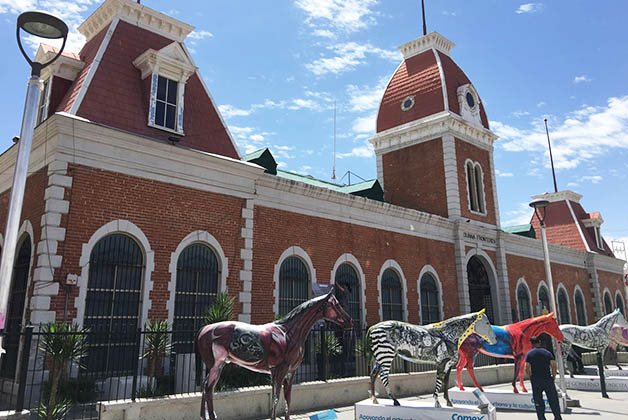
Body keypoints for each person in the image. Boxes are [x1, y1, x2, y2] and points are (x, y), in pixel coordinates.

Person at [525, 335, 563, 420]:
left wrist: (530, 378)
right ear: (539, 342)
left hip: (536, 379)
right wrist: (553, 377)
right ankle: (557, 417)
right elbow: (553, 365)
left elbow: (527, 368)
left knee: (538, 401)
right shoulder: (547, 353)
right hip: (547, 379)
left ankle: (541, 418)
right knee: (553, 399)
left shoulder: (529, 354)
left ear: (531, 344)